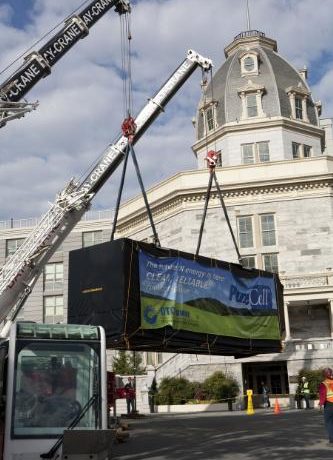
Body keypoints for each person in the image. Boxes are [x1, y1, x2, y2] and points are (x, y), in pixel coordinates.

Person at [319, 367, 333, 445]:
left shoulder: (323, 383)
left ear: (324, 374)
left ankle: (332, 440)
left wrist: (321, 405)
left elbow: (322, 395)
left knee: (329, 422)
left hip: (329, 405)